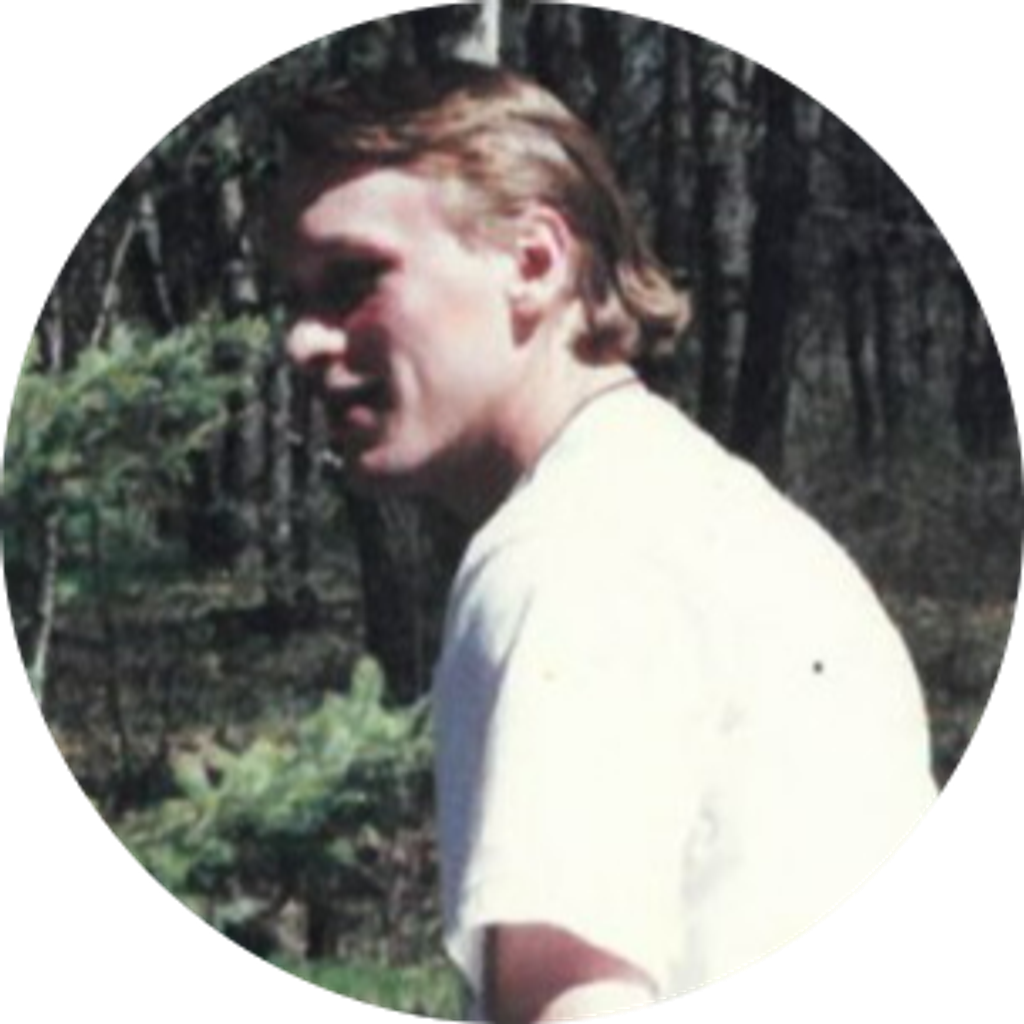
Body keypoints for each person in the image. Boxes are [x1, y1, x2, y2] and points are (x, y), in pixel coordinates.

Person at [277, 61, 940, 1023]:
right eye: (295, 299)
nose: (303, 342)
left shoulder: (565, 560)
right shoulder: (714, 516)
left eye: (353, 280)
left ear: (534, 262)